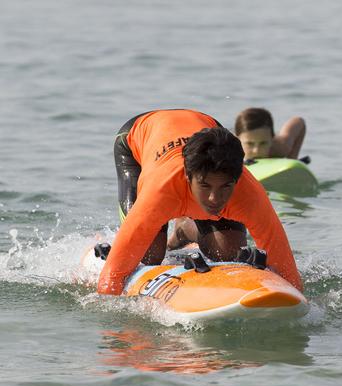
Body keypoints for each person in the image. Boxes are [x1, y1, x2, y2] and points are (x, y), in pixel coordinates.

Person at [99, 109, 302, 295]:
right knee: (149, 256)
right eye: (205, 186)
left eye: (225, 187)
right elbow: (111, 279)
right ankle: (175, 228)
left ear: (237, 178)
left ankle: (184, 229)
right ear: (187, 176)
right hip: (136, 137)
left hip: (208, 126)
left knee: (227, 254)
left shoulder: (249, 194)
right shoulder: (160, 192)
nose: (215, 199)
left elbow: (286, 269)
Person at [235, 107, 307, 161]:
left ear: (272, 139)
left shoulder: (281, 147)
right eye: (249, 144)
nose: (256, 151)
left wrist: (292, 160)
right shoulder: (228, 151)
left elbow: (299, 122)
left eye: (263, 143)